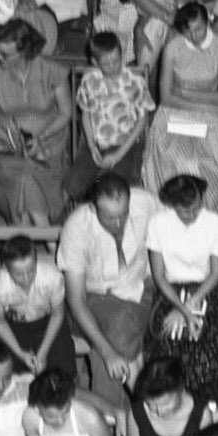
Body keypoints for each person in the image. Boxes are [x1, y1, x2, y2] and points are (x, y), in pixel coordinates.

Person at [144, 174, 218, 404]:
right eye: (186, 211)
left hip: (207, 289)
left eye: (196, 207)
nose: (193, 215)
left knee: (217, 341)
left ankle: (214, 404)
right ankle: (176, 403)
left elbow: (216, 272)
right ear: (173, 205)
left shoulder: (214, 222)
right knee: (169, 339)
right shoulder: (158, 223)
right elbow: (159, 275)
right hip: (170, 293)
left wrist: (191, 307)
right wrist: (183, 311)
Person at [60, 173, 158, 404]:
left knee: (121, 330)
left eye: (123, 215)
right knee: (118, 333)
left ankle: (120, 415)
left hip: (141, 288)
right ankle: (148, 408)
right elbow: (76, 300)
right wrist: (108, 352)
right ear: (93, 209)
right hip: (97, 296)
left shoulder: (145, 202)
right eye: (110, 218)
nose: (118, 224)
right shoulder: (76, 227)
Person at [142, 4, 218, 218]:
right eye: (188, 31)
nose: (194, 35)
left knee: (215, 164)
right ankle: (179, 211)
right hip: (177, 113)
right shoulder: (173, 48)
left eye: (198, 29)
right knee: (179, 159)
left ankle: (209, 212)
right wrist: (203, 104)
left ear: (208, 22)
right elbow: (167, 97)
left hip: (210, 114)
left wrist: (185, 94)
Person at [0, 18, 73, 225]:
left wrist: (41, 137)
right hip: (4, 146)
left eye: (5, 54)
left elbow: (65, 113)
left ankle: (27, 239)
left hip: (48, 145)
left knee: (28, 175)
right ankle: (48, 240)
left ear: (25, 51)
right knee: (24, 176)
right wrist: (10, 138)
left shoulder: (52, 70)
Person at [71, 32, 152, 194]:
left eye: (116, 60)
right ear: (95, 62)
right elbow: (86, 114)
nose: (113, 66)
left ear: (122, 55)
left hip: (127, 144)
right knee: (76, 186)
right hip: (98, 143)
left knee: (112, 186)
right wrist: (91, 144)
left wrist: (118, 154)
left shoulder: (135, 81)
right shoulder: (90, 81)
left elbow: (142, 120)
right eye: (106, 64)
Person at [127, 356, 214, 436]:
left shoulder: (201, 415)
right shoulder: (138, 413)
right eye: (151, 405)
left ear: (181, 391)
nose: (159, 411)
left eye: (165, 404)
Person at [23, 369, 115, 436]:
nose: (60, 421)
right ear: (37, 409)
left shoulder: (90, 417)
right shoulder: (30, 419)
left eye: (66, 412)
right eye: (51, 417)